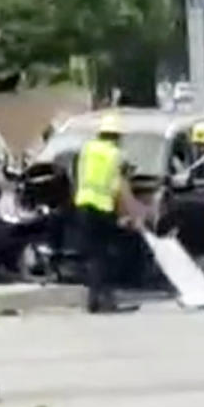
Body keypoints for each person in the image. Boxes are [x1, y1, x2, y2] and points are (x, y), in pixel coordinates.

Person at [75, 115, 142, 313]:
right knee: (106, 255)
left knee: (94, 254)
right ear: (116, 136)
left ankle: (93, 300)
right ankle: (106, 300)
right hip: (103, 208)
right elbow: (117, 189)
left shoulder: (87, 149)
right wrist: (126, 216)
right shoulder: (115, 155)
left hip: (83, 204)